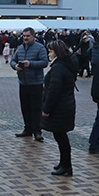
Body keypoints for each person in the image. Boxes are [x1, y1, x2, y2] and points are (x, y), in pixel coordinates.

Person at [41, 40, 78, 176]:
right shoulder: (66, 64)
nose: (49, 54)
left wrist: (46, 108)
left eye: (50, 51)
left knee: (61, 136)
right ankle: (64, 163)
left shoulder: (58, 68)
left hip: (60, 107)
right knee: (60, 136)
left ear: (57, 52)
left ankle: (66, 165)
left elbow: (54, 91)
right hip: (65, 105)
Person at [11, 27, 48, 142]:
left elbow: (44, 62)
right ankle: (28, 129)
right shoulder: (20, 48)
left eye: (27, 36)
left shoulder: (40, 48)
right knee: (25, 108)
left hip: (36, 83)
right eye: (24, 36)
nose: (25, 38)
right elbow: (13, 60)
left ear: (33, 36)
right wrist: (15, 66)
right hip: (23, 82)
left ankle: (37, 131)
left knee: (36, 108)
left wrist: (30, 64)